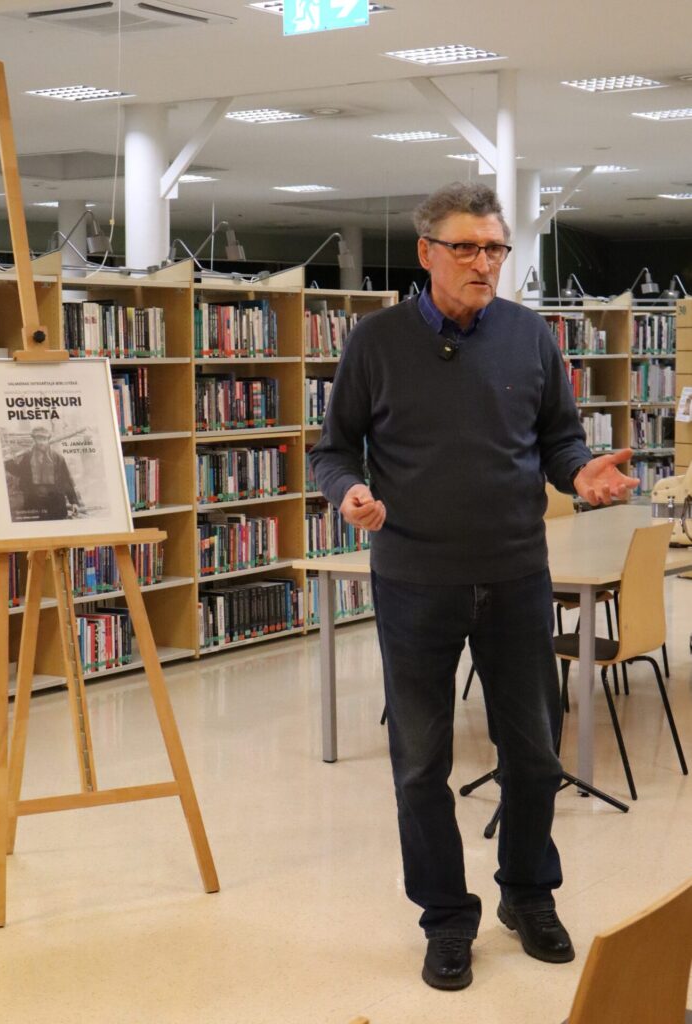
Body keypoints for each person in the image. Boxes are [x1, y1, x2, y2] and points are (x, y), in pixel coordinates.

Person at [308, 181, 639, 991]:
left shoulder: (529, 337)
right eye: (465, 248)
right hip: (415, 580)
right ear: (426, 254)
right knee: (419, 764)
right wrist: (347, 492)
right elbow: (333, 449)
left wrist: (579, 473)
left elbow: (558, 440)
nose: (483, 263)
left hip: (516, 574)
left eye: (494, 248)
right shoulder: (376, 342)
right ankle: (446, 918)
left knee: (532, 755)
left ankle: (527, 895)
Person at [5, 423, 82, 522]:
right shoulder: (28, 457)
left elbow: (66, 481)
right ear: (34, 440)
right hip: (34, 501)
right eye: (39, 439)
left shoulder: (58, 458)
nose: (41, 442)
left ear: (48, 440)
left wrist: (73, 502)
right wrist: (8, 462)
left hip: (55, 501)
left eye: (44, 439)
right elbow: (19, 472)